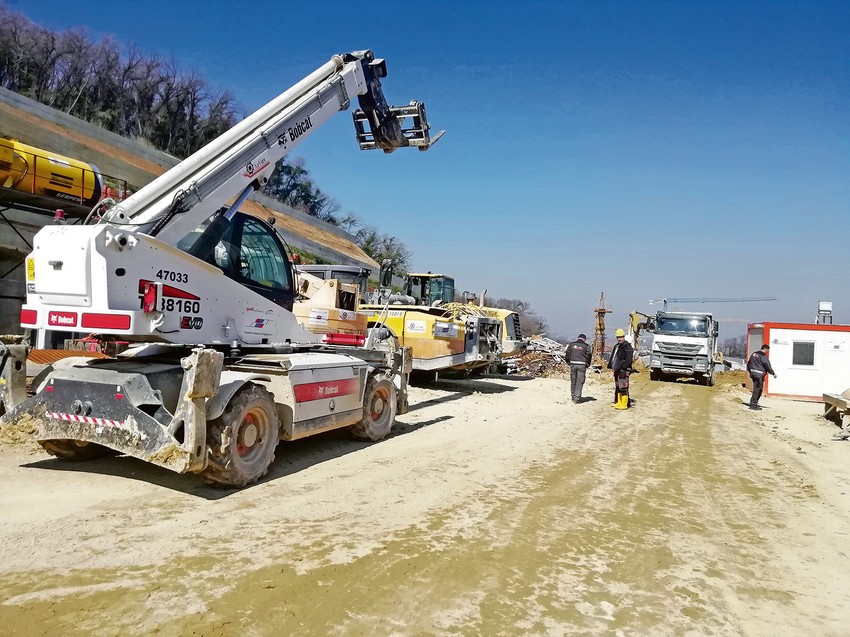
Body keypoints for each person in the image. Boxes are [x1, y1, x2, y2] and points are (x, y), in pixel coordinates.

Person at [608, 328, 634, 409]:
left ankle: (624, 404)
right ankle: (619, 402)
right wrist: (611, 366)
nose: (619, 338)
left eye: (621, 337)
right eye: (618, 337)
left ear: (624, 337)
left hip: (623, 370)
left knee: (623, 387)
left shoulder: (627, 346)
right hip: (617, 370)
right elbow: (614, 357)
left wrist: (623, 367)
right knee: (618, 386)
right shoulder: (617, 346)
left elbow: (629, 359)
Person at [746, 344, 776, 410]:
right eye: (768, 350)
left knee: (756, 388)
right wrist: (773, 373)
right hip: (759, 374)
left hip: (753, 373)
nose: (767, 351)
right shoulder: (763, 356)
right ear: (766, 349)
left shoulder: (754, 354)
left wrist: (750, 371)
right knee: (758, 389)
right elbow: (767, 365)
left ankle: (753, 402)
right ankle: (753, 405)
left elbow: (749, 363)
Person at [565, 333, 592, 403]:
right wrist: (587, 364)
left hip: (572, 364)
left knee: (573, 380)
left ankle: (573, 395)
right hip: (582, 365)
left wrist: (568, 362)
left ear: (578, 338)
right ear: (584, 340)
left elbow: (567, 354)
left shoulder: (571, 345)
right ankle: (577, 398)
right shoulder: (587, 346)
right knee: (579, 381)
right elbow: (589, 356)